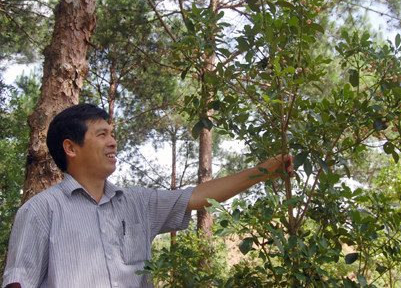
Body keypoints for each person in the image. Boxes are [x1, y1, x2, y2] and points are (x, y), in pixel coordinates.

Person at [2, 103, 293, 288]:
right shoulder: (40, 211)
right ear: (70, 147)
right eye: (102, 135)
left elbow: (199, 195)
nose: (113, 142)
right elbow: (19, 282)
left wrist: (267, 169)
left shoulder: (137, 202)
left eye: (113, 134)